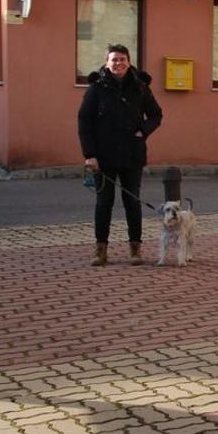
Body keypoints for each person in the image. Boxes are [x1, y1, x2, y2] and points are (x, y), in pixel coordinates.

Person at [77, 44, 163, 267]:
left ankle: (135, 249)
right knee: (104, 202)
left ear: (129, 62)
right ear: (107, 63)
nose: (118, 63)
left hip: (132, 154)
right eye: (114, 60)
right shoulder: (96, 88)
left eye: (122, 59)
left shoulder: (140, 87)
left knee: (132, 201)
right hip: (102, 157)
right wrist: (90, 155)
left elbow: (156, 114)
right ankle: (101, 250)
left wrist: (142, 130)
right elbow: (84, 122)